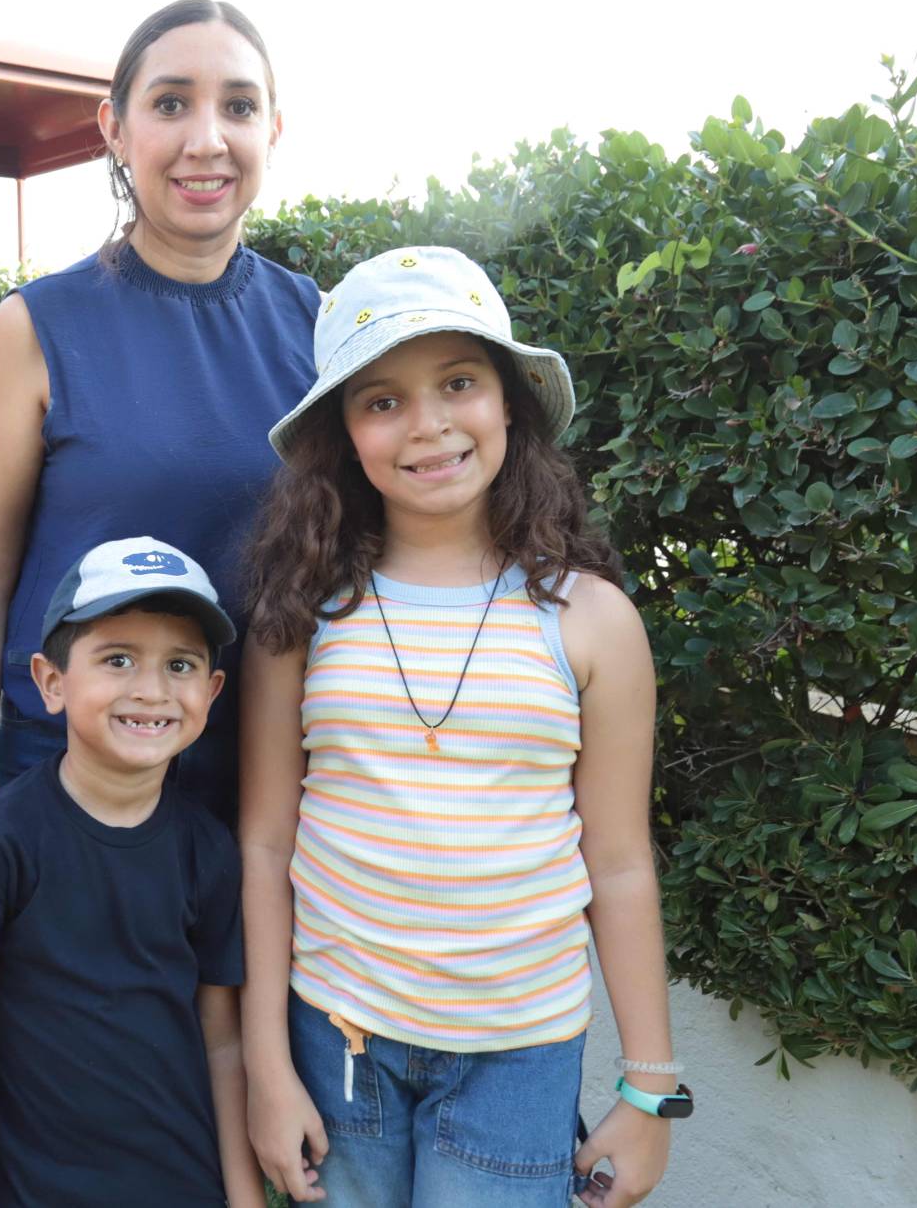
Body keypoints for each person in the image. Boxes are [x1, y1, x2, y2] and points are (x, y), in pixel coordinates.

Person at [237, 248, 686, 1207]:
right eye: (383, 399)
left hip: (519, 1057)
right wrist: (267, 1065)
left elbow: (618, 860)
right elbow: (267, 837)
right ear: (344, 434)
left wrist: (650, 1086)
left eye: (458, 382)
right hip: (336, 1036)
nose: (429, 423)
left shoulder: (591, 619)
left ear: (510, 402)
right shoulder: (300, 613)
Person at [0, 0, 319, 840]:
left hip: (261, 789)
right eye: (171, 103)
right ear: (115, 128)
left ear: (274, 130)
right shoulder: (37, 326)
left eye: (240, 107)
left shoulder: (319, 328)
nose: (207, 138)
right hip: (70, 785)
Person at [0, 538, 264, 1208]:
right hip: (38, 1187)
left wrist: (244, 1194)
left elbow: (223, 1042)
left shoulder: (210, 851)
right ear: (52, 680)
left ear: (212, 689)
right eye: (117, 659)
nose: (151, 689)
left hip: (181, 1183)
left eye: (181, 664)